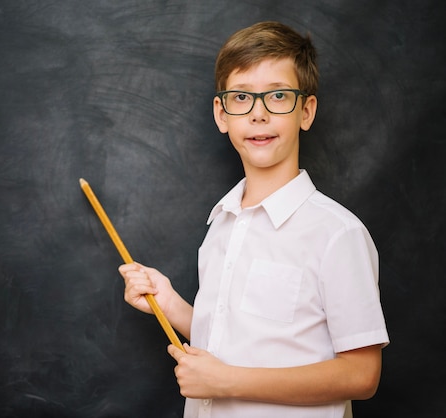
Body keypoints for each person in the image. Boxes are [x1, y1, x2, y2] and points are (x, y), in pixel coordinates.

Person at [118, 21, 389, 418]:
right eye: (241, 97)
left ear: (306, 111)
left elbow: (362, 375)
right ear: (222, 113)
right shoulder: (222, 225)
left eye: (278, 96)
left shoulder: (337, 233)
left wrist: (227, 382)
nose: (258, 114)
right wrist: (171, 304)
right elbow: (233, 340)